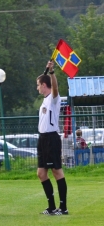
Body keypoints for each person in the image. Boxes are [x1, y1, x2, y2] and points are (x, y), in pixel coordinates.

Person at [36, 60, 68, 215]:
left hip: (51, 139)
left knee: (56, 171)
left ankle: (63, 208)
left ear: (44, 85)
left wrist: (51, 72)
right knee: (41, 173)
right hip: (42, 139)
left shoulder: (54, 98)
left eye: (38, 84)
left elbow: (55, 88)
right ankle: (51, 207)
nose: (37, 87)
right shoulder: (44, 100)